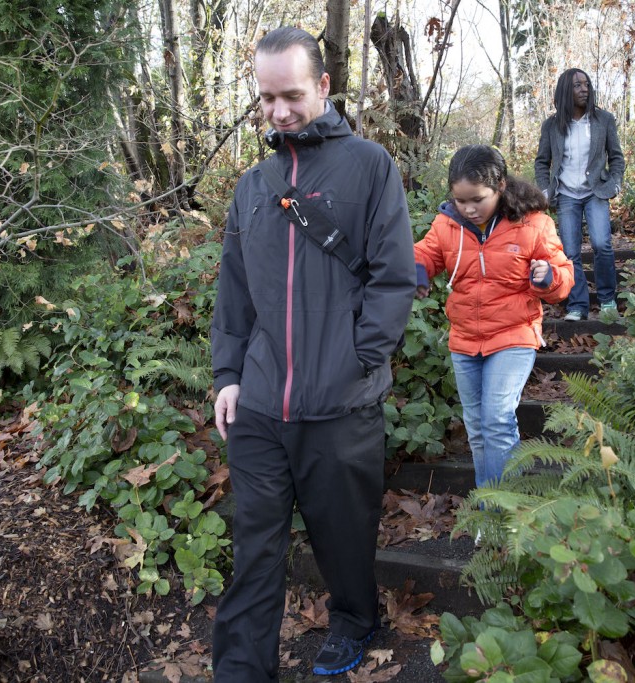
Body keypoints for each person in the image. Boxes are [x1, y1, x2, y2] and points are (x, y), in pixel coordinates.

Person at [209, 26, 416, 682]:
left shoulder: (369, 167)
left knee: (344, 537)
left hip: (341, 403)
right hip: (263, 406)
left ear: (323, 86)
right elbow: (234, 294)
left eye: (291, 95)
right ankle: (241, 669)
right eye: (266, 98)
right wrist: (228, 375)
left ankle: (354, 618)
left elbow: (393, 276)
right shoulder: (252, 186)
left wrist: (360, 358)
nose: (277, 111)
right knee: (255, 553)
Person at [414, 145, 574, 489]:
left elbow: (563, 279)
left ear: (500, 186)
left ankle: (505, 508)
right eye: (461, 200)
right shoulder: (447, 224)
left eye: (477, 199)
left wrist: (549, 279)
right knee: (477, 426)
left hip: (514, 335)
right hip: (465, 339)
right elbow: (426, 253)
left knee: (498, 419)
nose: (469, 209)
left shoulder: (533, 223)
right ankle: (488, 507)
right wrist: (415, 270)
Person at [534, 68, 626, 321]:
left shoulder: (603, 120)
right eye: (577, 85)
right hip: (565, 194)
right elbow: (542, 162)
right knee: (571, 251)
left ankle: (607, 300)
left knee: (601, 244)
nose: (584, 89)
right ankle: (577, 305)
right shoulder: (552, 125)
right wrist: (544, 190)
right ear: (566, 91)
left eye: (586, 84)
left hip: (596, 191)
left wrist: (616, 182)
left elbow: (616, 157)